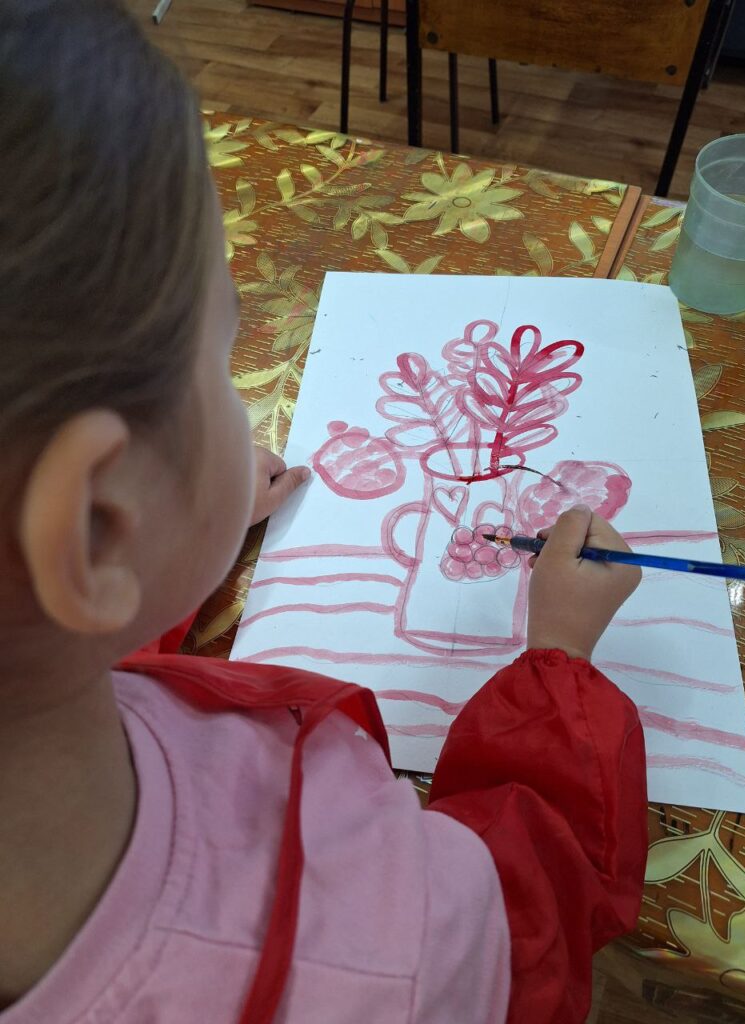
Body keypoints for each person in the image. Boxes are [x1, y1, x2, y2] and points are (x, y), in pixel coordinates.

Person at [0, 2, 647, 1022]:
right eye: (221, 360)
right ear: (98, 522)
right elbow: (529, 913)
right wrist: (559, 668)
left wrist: (171, 553)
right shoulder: (380, 956)